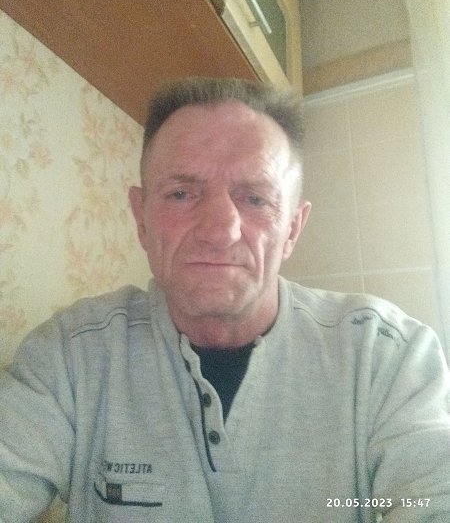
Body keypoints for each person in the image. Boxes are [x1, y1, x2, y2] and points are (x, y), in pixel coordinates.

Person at [1, 77, 449, 523]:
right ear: (141, 219)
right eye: (181, 194)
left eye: (255, 199)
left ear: (292, 229)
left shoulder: (388, 355)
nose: (219, 231)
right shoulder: (68, 356)